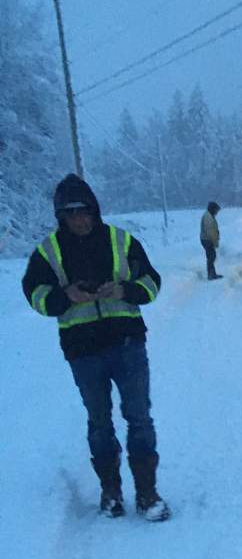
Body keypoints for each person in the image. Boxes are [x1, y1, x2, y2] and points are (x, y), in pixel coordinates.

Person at [21, 174, 170, 521]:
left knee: (139, 418)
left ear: (94, 210)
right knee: (99, 423)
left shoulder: (121, 240)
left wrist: (124, 291)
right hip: (83, 352)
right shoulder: (48, 252)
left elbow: (151, 283)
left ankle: (147, 495)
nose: (79, 219)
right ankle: (111, 493)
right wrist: (64, 296)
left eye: (84, 211)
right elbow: (34, 294)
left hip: (127, 345)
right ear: (61, 216)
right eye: (70, 213)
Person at [200, 201, 222, 280]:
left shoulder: (209, 215)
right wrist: (215, 242)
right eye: (216, 210)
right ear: (212, 209)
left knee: (212, 257)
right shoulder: (208, 217)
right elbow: (210, 232)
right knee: (211, 257)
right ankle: (210, 275)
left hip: (207, 239)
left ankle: (213, 274)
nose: (217, 212)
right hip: (207, 240)